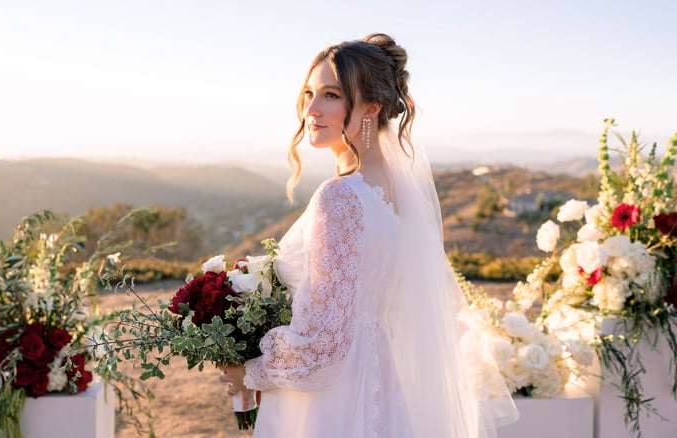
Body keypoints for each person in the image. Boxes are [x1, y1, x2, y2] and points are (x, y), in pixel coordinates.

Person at [219, 33, 518, 437]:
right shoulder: (395, 195)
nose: (311, 109)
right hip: (377, 377)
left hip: (327, 404)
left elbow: (324, 345)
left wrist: (249, 372)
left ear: (372, 108)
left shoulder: (341, 197)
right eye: (309, 93)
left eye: (331, 95)